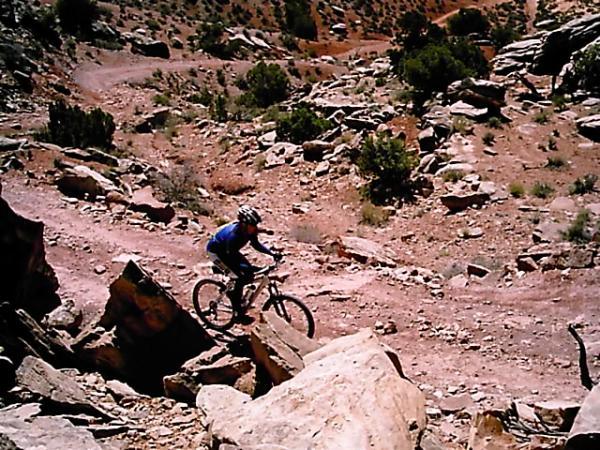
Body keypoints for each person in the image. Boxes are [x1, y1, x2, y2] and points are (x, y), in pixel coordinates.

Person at [206, 205, 281, 317]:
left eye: (255, 226)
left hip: (231, 252)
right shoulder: (233, 236)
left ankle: (235, 292)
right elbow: (232, 260)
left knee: (249, 275)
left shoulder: (250, 230)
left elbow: (256, 244)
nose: (254, 228)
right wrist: (255, 268)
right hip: (217, 253)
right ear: (243, 224)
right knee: (239, 276)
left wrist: (272, 253)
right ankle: (236, 310)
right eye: (251, 226)